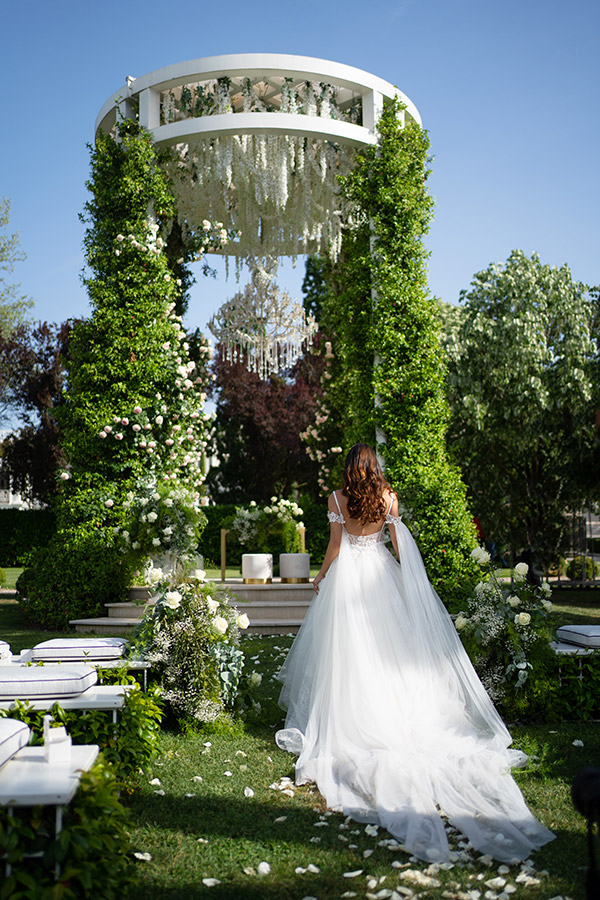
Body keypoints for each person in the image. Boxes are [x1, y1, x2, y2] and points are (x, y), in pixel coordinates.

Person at [276, 444, 554, 864]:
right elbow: (398, 542)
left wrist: (320, 577)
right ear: (375, 468)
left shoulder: (336, 498)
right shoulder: (388, 496)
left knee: (349, 652)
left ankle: (354, 713)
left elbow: (335, 546)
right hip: (380, 577)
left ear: (350, 468)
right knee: (391, 647)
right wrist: (410, 582)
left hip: (349, 578)